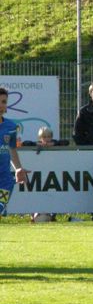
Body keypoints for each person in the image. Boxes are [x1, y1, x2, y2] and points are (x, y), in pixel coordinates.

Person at [0, 87, 29, 217]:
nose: (1, 105)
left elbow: (12, 149)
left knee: (0, 206)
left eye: (4, 102)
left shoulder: (11, 127)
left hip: (5, 179)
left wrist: (18, 168)